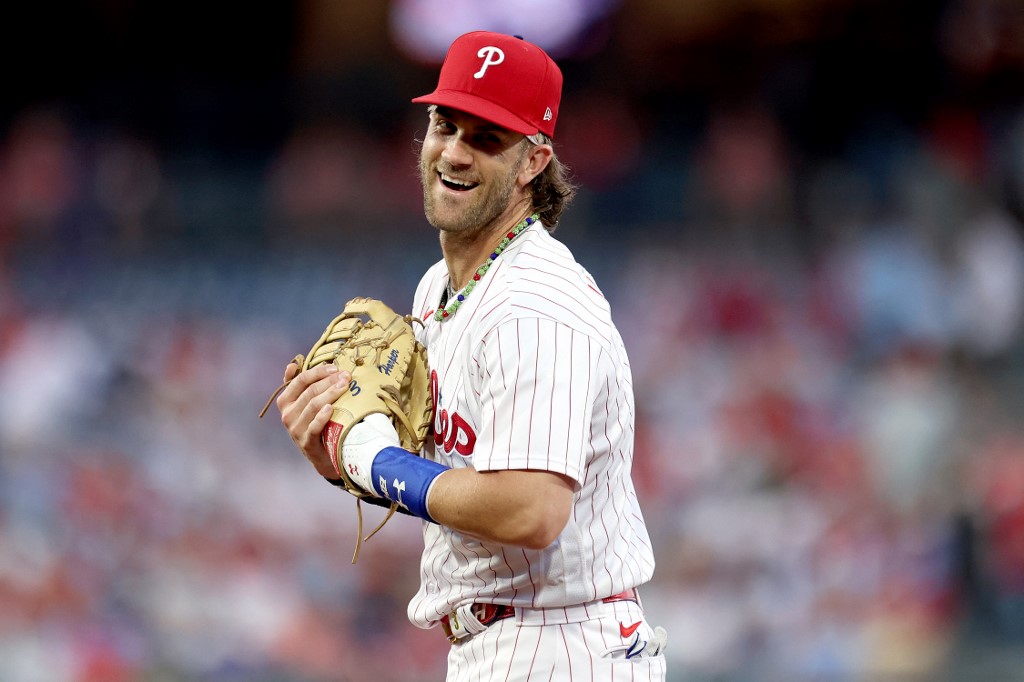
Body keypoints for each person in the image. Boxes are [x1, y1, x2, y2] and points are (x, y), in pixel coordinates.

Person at [274, 30, 666, 680]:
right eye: (444, 125)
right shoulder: (440, 288)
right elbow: (453, 484)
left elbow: (532, 509)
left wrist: (373, 463)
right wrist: (340, 459)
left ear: (535, 160)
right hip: (506, 643)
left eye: (486, 138)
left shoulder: (535, 302)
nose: (454, 152)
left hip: (563, 643)